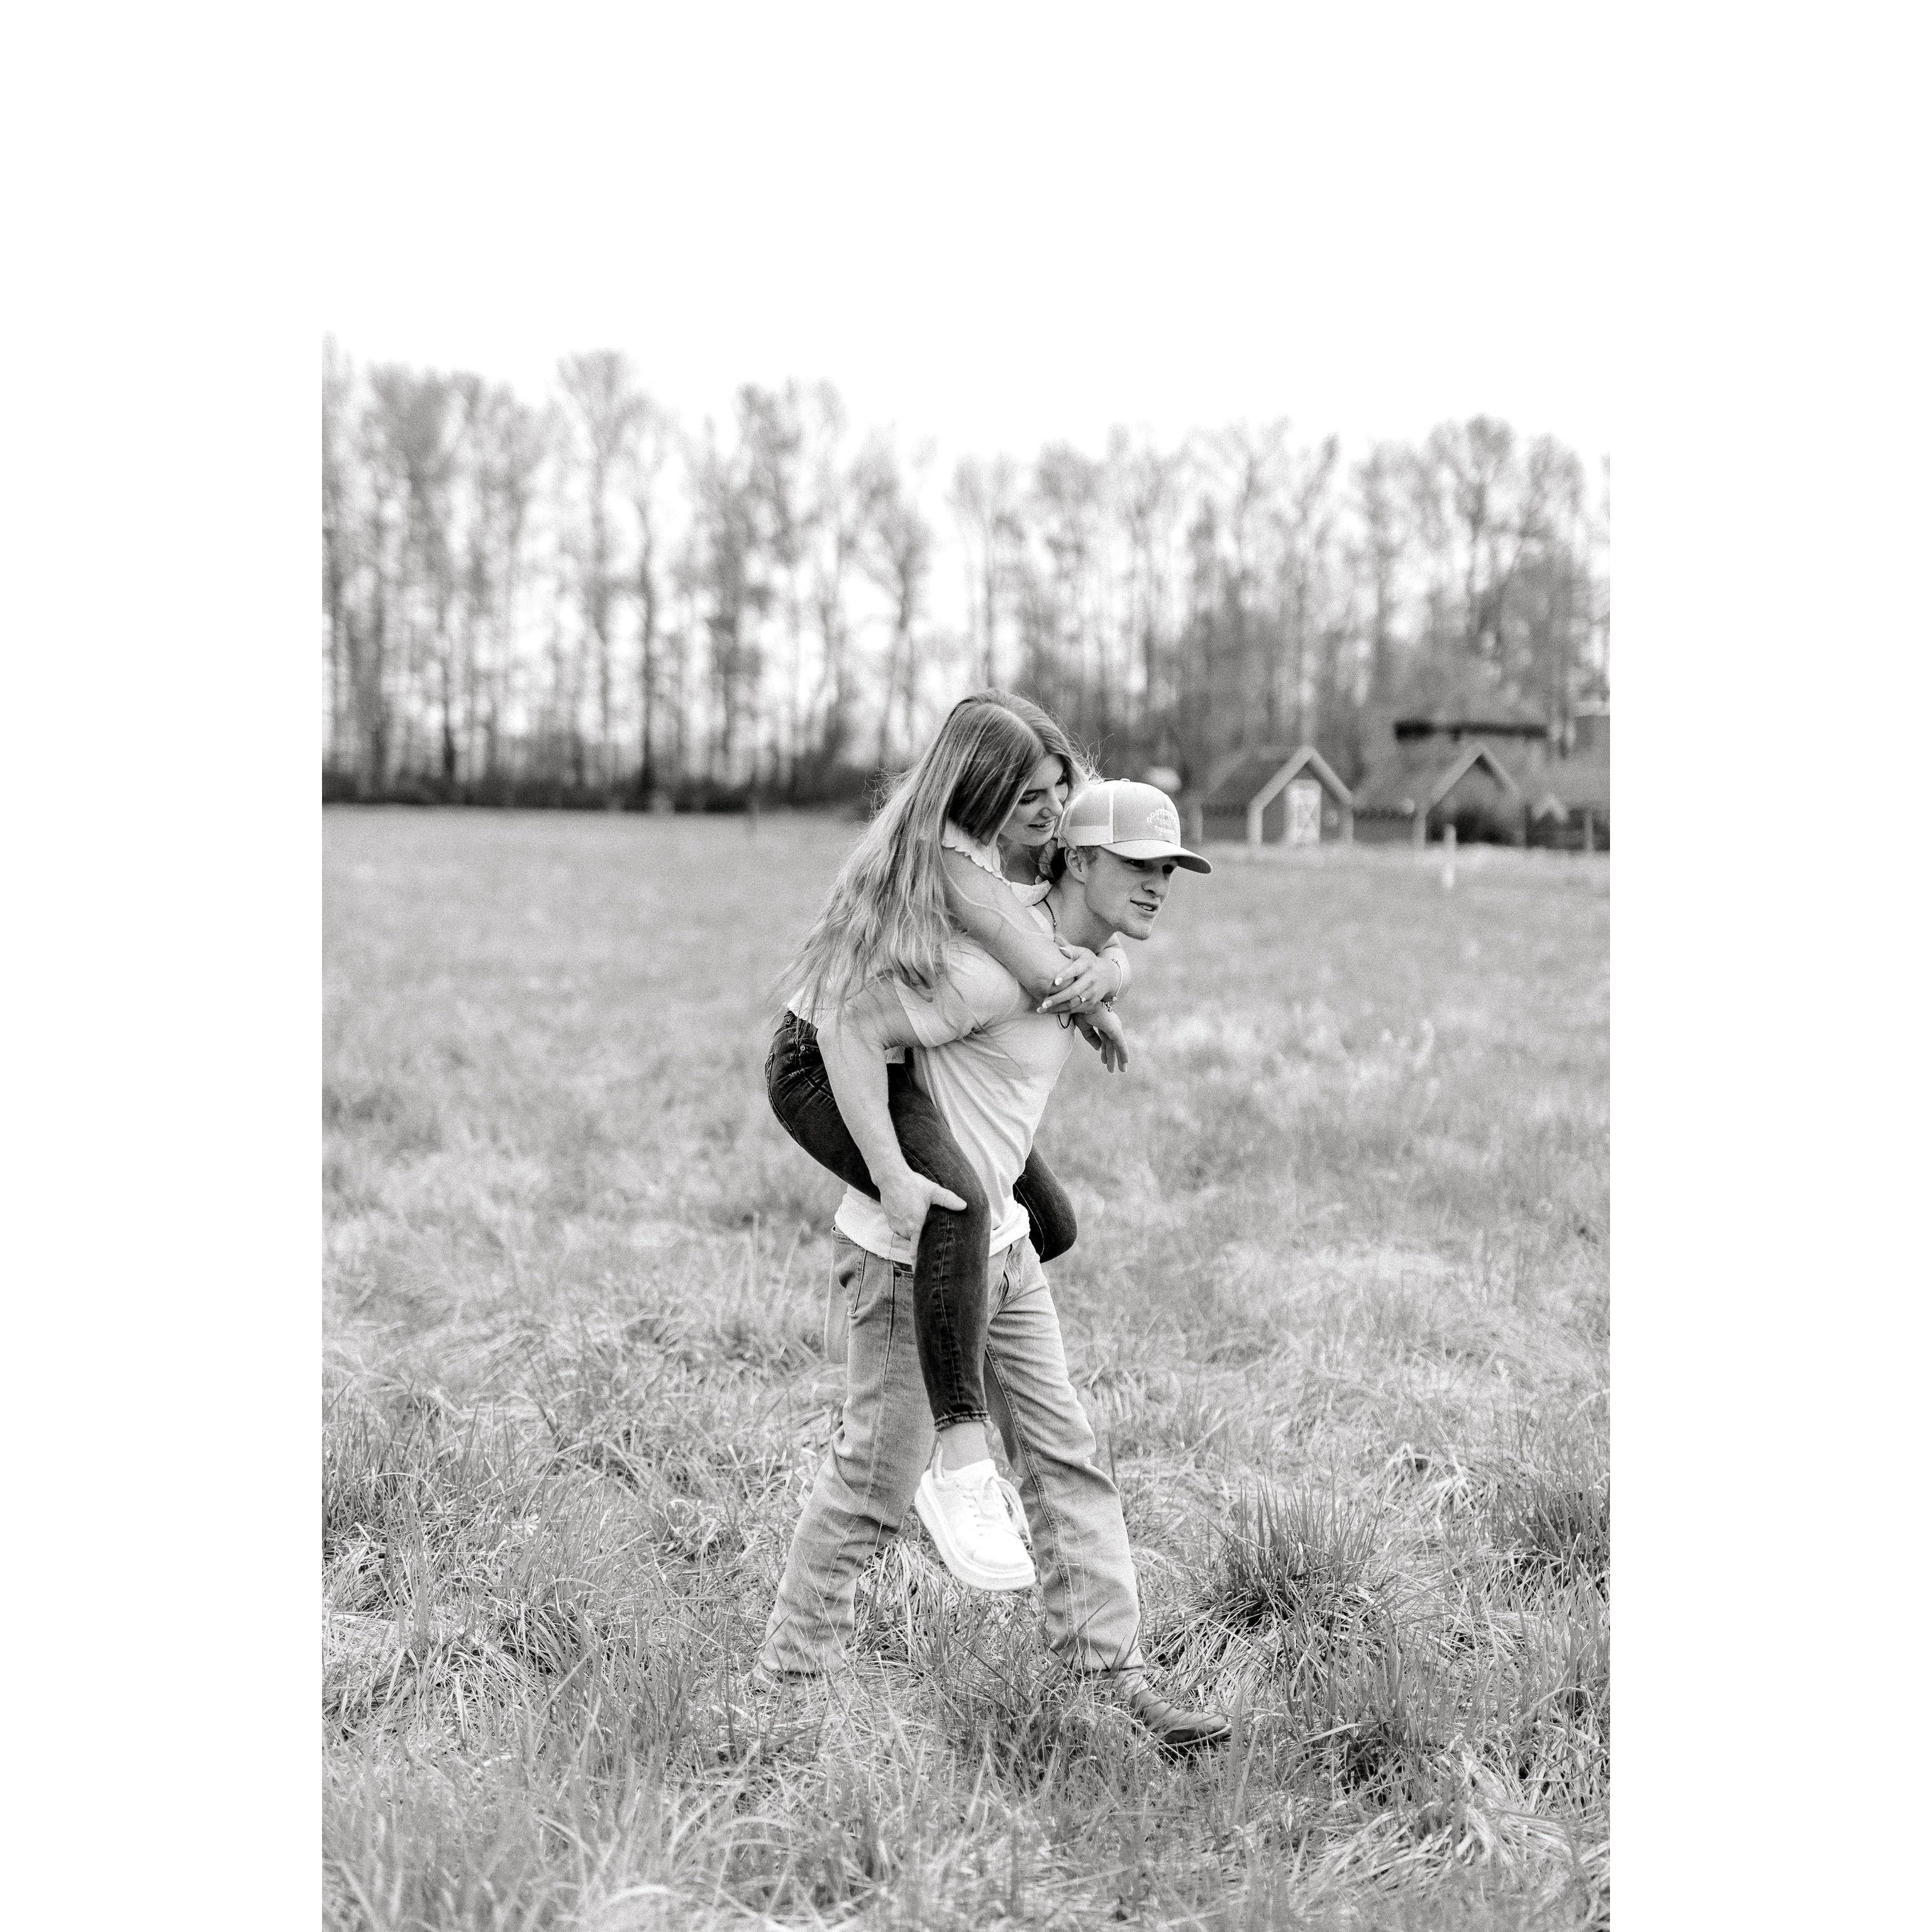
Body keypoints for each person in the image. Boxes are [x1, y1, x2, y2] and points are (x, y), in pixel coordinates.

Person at [759, 780, 1231, 1755]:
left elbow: (1088, 963)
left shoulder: (1068, 960)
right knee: (875, 1485)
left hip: (1004, 1250)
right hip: (916, 1258)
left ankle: (1113, 1681)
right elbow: (852, 1026)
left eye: (1170, 870)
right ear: (1081, 861)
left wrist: (1111, 972)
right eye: (1141, 866)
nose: (1160, 884)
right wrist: (891, 1174)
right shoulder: (988, 971)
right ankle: (782, 1697)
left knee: (1066, 1459)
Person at [766, 692, 1133, 1593]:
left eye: (1058, 790)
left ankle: (964, 1320)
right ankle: (958, 1458)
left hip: (898, 1050)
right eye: (1029, 797)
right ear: (977, 794)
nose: (1051, 812)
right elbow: (1035, 959)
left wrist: (1111, 965)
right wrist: (892, 1174)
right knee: (957, 1204)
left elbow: (1062, 926)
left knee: (1048, 1223)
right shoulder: (948, 860)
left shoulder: (1009, 849)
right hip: (825, 1059)